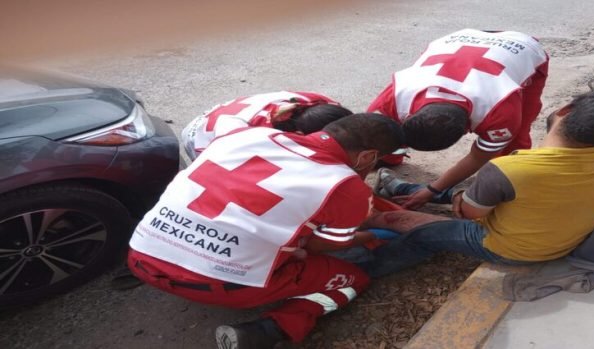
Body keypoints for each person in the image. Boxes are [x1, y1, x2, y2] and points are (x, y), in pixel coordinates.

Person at [126, 113, 405, 349]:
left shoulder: (245, 136)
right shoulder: (346, 187)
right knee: (353, 280)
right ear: (368, 155)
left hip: (141, 255)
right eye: (375, 162)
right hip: (224, 287)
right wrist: (367, 236)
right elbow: (316, 248)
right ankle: (271, 329)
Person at [360, 82, 594, 278]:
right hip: (558, 234)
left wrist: (461, 198)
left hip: (514, 249)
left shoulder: (509, 168)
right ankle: (403, 189)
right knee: (466, 193)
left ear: (564, 111)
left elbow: (468, 212)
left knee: (412, 227)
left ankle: (368, 267)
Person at [368, 28, 550, 209]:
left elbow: (478, 157)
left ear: (467, 129)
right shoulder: (397, 94)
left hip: (523, 47)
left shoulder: (500, 109)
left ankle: (510, 181)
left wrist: (432, 190)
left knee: (515, 138)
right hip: (459, 40)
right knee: (383, 134)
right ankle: (390, 159)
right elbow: (368, 139)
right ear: (409, 116)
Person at [182, 91, 352, 160]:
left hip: (231, 114)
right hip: (201, 138)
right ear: (300, 136)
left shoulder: (323, 103)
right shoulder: (249, 140)